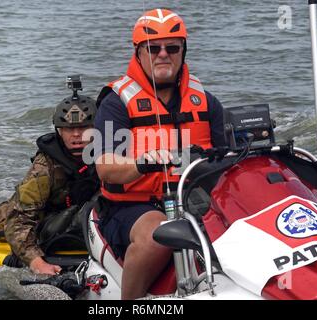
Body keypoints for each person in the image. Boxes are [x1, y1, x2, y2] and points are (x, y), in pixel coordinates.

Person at [93, 9, 226, 299]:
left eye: (172, 47)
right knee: (160, 233)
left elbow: (227, 158)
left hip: (191, 200)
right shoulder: (116, 102)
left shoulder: (206, 101)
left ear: (183, 51)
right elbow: (105, 167)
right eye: (153, 48)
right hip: (130, 208)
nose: (163, 54)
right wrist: (142, 163)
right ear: (139, 52)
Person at [0, 77, 99, 275]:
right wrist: (36, 262)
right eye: (70, 129)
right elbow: (17, 222)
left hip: (68, 216)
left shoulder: (108, 155)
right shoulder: (45, 167)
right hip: (17, 216)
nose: (77, 135)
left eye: (84, 128)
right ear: (60, 132)